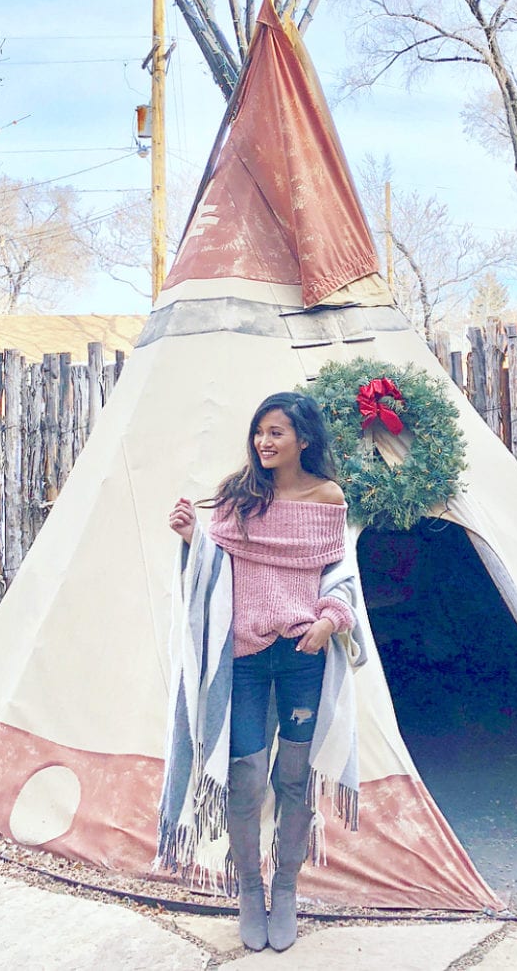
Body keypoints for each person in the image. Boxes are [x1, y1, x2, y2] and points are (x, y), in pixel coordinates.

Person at [166, 392, 356, 952]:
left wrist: (330, 619)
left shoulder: (328, 498)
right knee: (246, 775)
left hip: (303, 655)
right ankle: (250, 886)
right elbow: (216, 567)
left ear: (304, 439)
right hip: (244, 657)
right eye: (259, 433)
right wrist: (191, 538)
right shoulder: (237, 496)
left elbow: (342, 575)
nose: (264, 443)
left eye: (276, 433)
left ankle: (288, 886)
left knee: (294, 777)